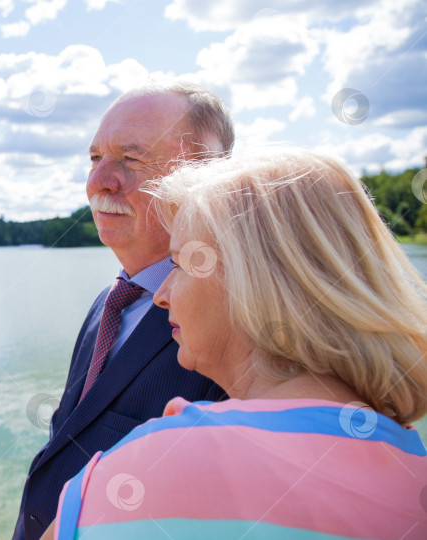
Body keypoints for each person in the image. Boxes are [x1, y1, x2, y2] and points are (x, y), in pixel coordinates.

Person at [44, 147, 427, 539]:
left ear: (253, 281)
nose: (161, 294)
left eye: (178, 264)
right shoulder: (412, 465)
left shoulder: (157, 465)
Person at [13, 80, 234, 540]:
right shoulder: (109, 303)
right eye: (95, 159)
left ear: (208, 175)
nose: (99, 182)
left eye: (132, 159)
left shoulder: (237, 324)